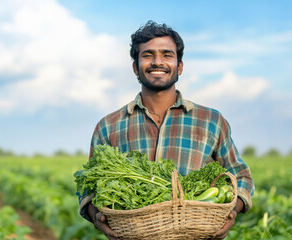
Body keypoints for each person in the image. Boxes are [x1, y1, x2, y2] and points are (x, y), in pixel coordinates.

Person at [78, 20, 254, 240]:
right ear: (135, 67)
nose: (157, 62)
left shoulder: (211, 121)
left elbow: (242, 176)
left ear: (179, 66)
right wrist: (96, 216)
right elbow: (89, 188)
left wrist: (233, 211)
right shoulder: (108, 126)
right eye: (148, 55)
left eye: (167, 55)